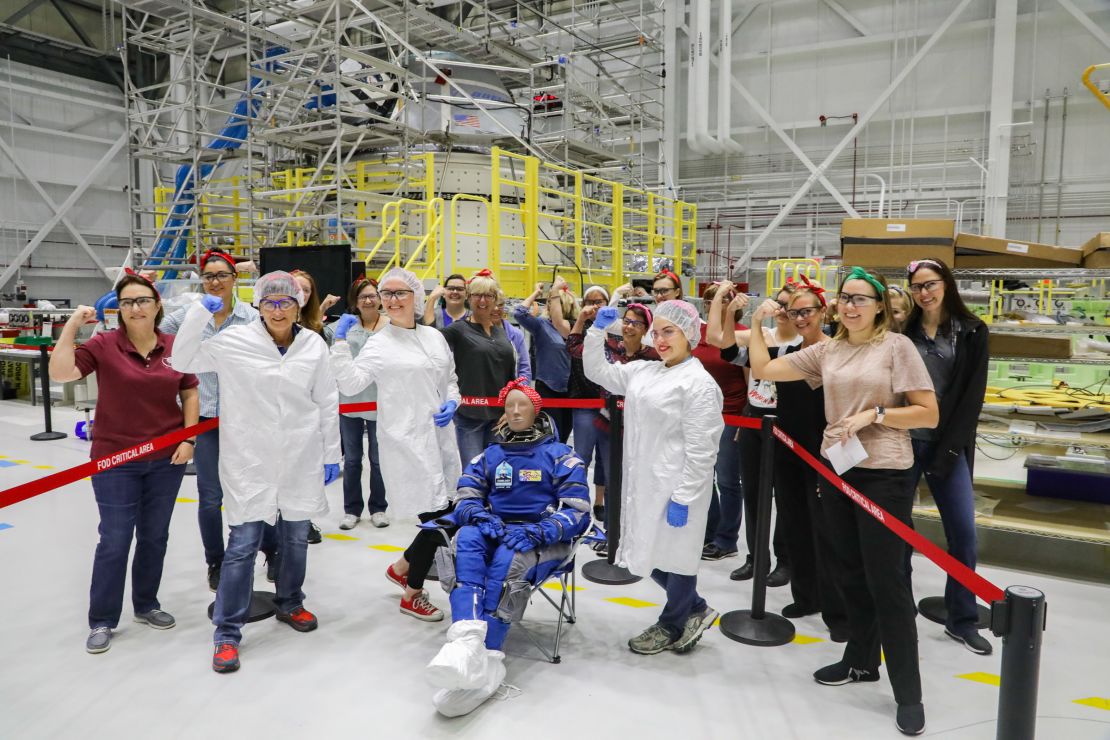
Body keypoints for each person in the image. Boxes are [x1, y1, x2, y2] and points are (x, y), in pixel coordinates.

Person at [748, 266, 938, 737]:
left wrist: (875, 415)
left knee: (887, 582)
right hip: (838, 470)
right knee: (848, 571)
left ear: (878, 305)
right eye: (844, 297)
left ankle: (908, 693)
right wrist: (755, 325)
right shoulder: (829, 349)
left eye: (861, 298)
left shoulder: (897, 347)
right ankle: (860, 661)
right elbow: (765, 369)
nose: (850, 306)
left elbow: (928, 412)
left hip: (884, 476)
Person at [171, 270, 342, 674]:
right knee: (244, 543)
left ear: (299, 304)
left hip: (300, 456)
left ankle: (290, 602)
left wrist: (333, 452)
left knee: (297, 537)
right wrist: (198, 313)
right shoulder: (234, 341)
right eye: (270, 302)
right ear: (258, 305)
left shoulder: (314, 344)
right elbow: (182, 359)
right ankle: (226, 632)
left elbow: (327, 399)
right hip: (250, 461)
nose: (278, 310)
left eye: (286, 302)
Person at [51, 272, 199, 655]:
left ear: (157, 305)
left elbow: (189, 391)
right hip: (115, 459)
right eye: (128, 302)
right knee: (115, 540)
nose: (136, 307)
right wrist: (70, 326)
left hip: (166, 459)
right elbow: (61, 372)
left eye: (143, 300)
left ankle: (147, 605)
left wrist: (189, 437)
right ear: (120, 310)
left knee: (154, 536)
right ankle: (102, 619)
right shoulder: (104, 345)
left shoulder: (173, 346)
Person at [425, 378, 590, 716]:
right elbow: (466, 496)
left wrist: (540, 531)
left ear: (537, 410)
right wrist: (482, 518)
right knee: (466, 540)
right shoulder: (490, 455)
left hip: (542, 539)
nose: (515, 411)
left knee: (507, 560)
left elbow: (578, 511)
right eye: (510, 405)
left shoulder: (561, 455)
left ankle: (488, 657)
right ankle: (467, 640)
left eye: (523, 405)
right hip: (496, 527)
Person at [584, 300, 724, 655]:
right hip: (644, 484)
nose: (660, 340)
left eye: (670, 331)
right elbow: (597, 371)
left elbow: (703, 449)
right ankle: (696, 608)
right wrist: (596, 331)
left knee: (676, 557)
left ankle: (672, 622)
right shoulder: (645, 371)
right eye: (657, 332)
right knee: (646, 553)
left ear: (689, 334)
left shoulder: (699, 385)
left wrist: (684, 495)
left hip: (677, 487)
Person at [330, 267, 463, 621]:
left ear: (416, 297)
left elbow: (450, 379)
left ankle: (402, 566)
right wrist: (340, 345)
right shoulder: (380, 343)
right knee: (440, 521)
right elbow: (351, 384)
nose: (392, 300)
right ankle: (412, 593)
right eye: (386, 294)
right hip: (406, 444)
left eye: (400, 293)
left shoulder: (435, 337)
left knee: (447, 512)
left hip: (441, 440)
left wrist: (453, 402)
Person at [745, 279, 848, 640]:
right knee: (795, 526)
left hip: (823, 456)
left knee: (828, 533)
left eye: (807, 311)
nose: (800, 318)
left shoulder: (833, 352)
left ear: (823, 312)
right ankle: (806, 597)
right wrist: (756, 324)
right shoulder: (791, 352)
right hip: (789, 451)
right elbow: (754, 364)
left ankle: (839, 612)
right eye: (794, 312)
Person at [160, 250, 263, 592]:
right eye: (209, 276)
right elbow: (157, 335)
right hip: (204, 420)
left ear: (235, 280)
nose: (215, 282)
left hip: (244, 420)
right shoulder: (190, 315)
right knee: (209, 497)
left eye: (222, 275)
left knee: (255, 489)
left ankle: (267, 550)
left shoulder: (251, 318)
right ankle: (215, 561)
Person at [904, 258, 992, 655]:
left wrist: (951, 447)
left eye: (930, 284)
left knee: (963, 534)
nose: (924, 292)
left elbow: (973, 395)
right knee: (896, 532)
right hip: (904, 442)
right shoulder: (903, 331)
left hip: (948, 444)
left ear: (946, 284)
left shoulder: (972, 332)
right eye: (917, 286)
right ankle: (899, 609)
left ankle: (962, 619)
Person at [711, 282, 798, 584]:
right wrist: (728, 308)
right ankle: (756, 557)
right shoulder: (761, 336)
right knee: (753, 494)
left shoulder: (808, 343)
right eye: (781, 303)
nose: (785, 310)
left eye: (792, 305)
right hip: (753, 421)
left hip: (790, 426)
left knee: (786, 496)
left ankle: (785, 560)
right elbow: (718, 341)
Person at [566, 299, 659, 528]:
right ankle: (611, 532)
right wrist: (591, 324)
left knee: (635, 481)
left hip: (642, 428)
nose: (629, 327)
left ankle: (631, 530)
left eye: (636, 324)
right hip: (610, 424)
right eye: (626, 321)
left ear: (646, 330)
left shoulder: (655, 356)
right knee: (612, 477)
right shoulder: (610, 348)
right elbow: (576, 349)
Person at [695, 283, 751, 564]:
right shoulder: (701, 333)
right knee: (705, 477)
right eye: (709, 299)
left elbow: (748, 381)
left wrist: (744, 420)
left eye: (719, 299)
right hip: (701, 415)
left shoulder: (742, 335)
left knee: (728, 480)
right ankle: (710, 532)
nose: (712, 303)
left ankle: (726, 540)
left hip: (731, 414)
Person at [442, 269, 516, 464]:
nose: (482, 301)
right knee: (474, 475)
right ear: (469, 297)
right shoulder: (458, 329)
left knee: (498, 477)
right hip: (469, 417)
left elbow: (511, 376)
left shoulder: (500, 332)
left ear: (495, 299)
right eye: (477, 295)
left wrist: (511, 409)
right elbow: (429, 343)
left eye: (488, 296)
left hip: (499, 419)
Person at [337, 277, 390, 531]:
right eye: (362, 297)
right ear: (354, 302)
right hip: (350, 403)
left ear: (380, 298)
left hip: (380, 403)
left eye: (372, 296)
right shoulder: (344, 326)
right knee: (352, 459)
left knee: (378, 459)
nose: (368, 301)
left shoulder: (391, 326)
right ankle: (351, 510)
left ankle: (379, 508)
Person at [514, 276, 576, 442]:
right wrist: (537, 292)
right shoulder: (542, 325)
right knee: (549, 435)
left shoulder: (576, 326)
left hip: (572, 389)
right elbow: (518, 313)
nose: (551, 305)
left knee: (563, 436)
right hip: (548, 386)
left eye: (555, 302)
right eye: (549, 302)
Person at [493, 291, 531, 382]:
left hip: (510, 393)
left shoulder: (516, 334)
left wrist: (520, 390)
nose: (496, 308)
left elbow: (524, 368)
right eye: (493, 304)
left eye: (500, 305)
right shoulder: (476, 331)